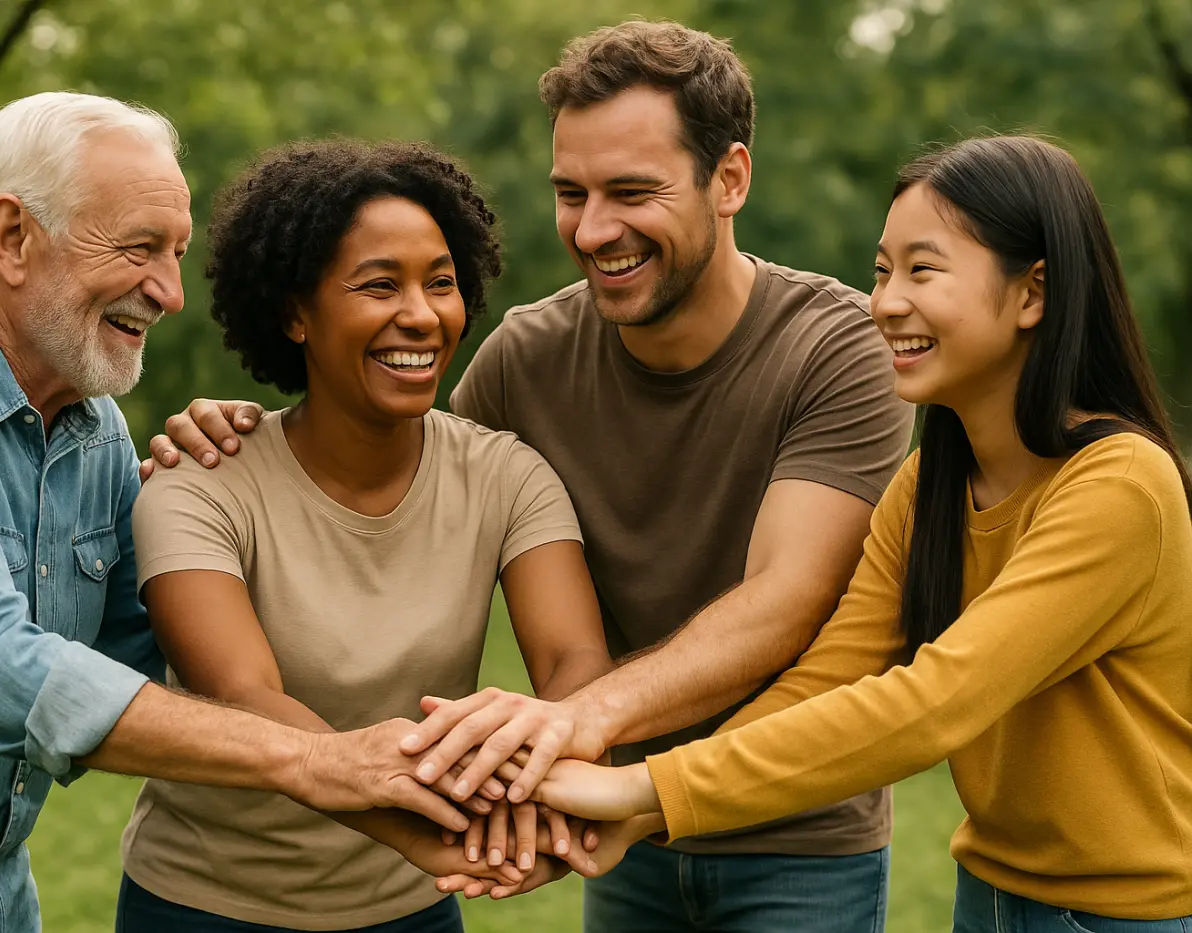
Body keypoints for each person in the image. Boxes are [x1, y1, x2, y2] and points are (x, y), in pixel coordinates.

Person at [145, 20, 914, 930]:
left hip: (792, 831)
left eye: (632, 191)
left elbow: (786, 597)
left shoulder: (837, 347)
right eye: (570, 192)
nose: (594, 229)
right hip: (613, 826)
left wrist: (576, 722)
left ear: (731, 179)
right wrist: (232, 427)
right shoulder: (527, 358)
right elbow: (397, 457)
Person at [0, 93, 476, 933]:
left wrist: (252, 484)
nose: (170, 292)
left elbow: (154, 653)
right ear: (13, 238)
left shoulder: (96, 432)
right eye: (141, 248)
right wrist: (318, 760)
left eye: (178, 253)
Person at [505, 135, 1192, 932]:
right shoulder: (930, 481)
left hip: (1124, 916)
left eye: (922, 270)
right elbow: (825, 678)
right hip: (991, 897)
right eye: (881, 271)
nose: (886, 302)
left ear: (1033, 292)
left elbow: (937, 701)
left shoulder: (1118, 486)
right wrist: (655, 799)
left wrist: (644, 789)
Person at [114, 138, 612, 933]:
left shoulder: (508, 476)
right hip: (207, 906)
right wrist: (438, 832)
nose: (420, 314)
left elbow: (572, 663)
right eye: (379, 284)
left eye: (441, 283)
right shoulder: (201, 483)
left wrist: (540, 785)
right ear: (295, 313)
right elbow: (245, 695)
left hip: (410, 912)